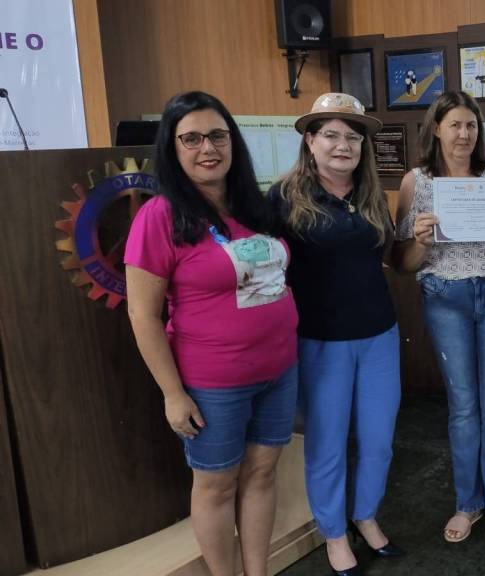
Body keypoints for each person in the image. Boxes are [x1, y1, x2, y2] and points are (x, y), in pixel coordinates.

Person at [124, 91, 298, 576]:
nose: (208, 148)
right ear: (173, 148)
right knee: (217, 486)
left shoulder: (253, 205)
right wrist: (172, 394)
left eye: (218, 136)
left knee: (262, 473)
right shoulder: (159, 217)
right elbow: (142, 315)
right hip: (213, 383)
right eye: (192, 139)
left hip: (279, 370)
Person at [392, 90, 485, 545]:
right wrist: (420, 241)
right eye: (455, 125)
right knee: (462, 405)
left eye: (471, 125)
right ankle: (467, 503)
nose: (464, 134)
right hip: (445, 297)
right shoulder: (416, 182)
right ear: (436, 129)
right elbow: (402, 263)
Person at [267, 93, 401, 576]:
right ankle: (334, 533)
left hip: (379, 335)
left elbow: (388, 256)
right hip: (320, 341)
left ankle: (364, 515)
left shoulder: (371, 196)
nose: (343, 145)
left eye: (353, 137)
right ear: (310, 140)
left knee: (379, 440)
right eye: (331, 135)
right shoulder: (283, 198)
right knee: (326, 444)